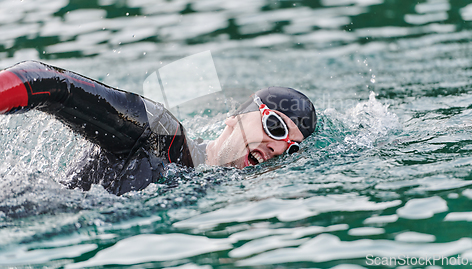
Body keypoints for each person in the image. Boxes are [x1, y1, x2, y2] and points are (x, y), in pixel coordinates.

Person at [0, 61, 317, 195]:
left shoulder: (209, 195)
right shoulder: (161, 135)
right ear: (236, 115)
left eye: (291, 147)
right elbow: (51, 83)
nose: (278, 148)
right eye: (274, 127)